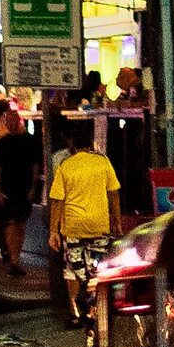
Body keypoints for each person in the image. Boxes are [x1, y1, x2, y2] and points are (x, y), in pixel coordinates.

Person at [47, 122, 121, 327]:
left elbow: (57, 200)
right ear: (91, 143)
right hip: (99, 225)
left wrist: (54, 231)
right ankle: (97, 309)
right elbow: (113, 193)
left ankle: (76, 312)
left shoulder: (66, 166)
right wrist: (117, 221)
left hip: (73, 227)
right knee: (99, 268)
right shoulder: (103, 162)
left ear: (71, 145)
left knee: (72, 269)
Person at [0, 108, 43, 276]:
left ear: (18, 121)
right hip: (8, 189)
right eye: (7, 122)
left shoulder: (30, 141)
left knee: (19, 224)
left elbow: (35, 167)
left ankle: (14, 258)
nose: (9, 126)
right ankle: (14, 260)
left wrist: (33, 189)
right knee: (13, 223)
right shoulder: (3, 142)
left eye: (11, 122)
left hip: (23, 187)